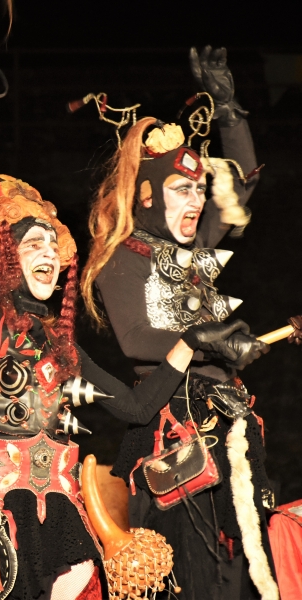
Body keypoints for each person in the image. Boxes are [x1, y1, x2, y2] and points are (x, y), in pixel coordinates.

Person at [0, 50, 250, 600]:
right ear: (4, 258)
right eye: (33, 244)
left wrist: (191, 341)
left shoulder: (63, 351)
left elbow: (136, 408)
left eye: (54, 244)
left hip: (59, 521)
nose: (49, 252)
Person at [81, 47, 279, 599]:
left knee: (244, 570)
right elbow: (135, 340)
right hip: (173, 430)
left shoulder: (193, 247)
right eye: (180, 190)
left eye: (198, 189)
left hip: (226, 424)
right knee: (194, 578)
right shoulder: (123, 257)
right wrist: (206, 340)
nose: (196, 201)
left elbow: (242, 187)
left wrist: (229, 110)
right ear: (147, 196)